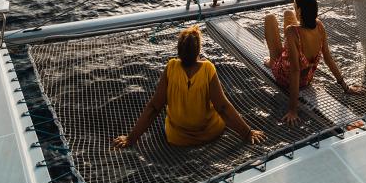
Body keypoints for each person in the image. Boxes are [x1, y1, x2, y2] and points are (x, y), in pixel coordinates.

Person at [112, 26, 264, 148]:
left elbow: (153, 107)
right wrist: (247, 133)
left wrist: (130, 138)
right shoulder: (208, 68)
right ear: (198, 51)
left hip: (178, 138)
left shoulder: (171, 67)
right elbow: (223, 107)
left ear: (179, 51)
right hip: (209, 133)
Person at [263, 0, 364, 125]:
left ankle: (272, 61)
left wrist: (293, 110)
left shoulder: (292, 32)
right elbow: (328, 59)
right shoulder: (320, 26)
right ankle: (280, 56)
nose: (294, 9)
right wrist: (346, 87)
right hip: (307, 79)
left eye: (295, 6)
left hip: (286, 78)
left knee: (270, 18)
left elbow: (294, 71)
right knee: (287, 14)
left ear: (299, 11)